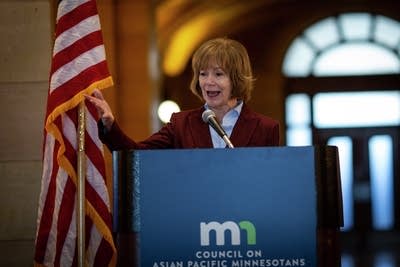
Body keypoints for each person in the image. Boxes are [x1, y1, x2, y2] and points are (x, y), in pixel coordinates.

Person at [85, 37, 279, 150]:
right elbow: (136, 155)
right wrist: (110, 126)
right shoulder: (180, 124)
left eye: (218, 74)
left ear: (236, 78)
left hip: (246, 219)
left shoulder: (266, 128)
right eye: (203, 74)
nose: (208, 81)